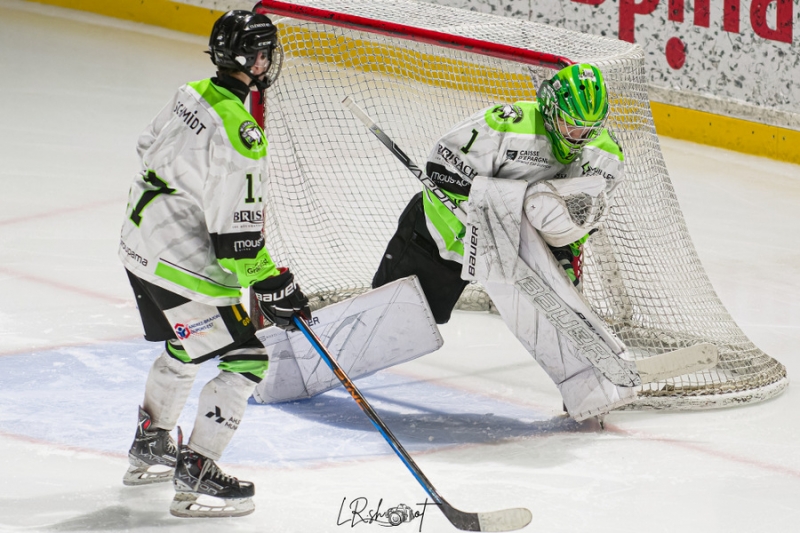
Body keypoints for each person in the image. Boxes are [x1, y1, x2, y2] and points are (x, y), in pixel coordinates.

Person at [118, 10, 310, 518]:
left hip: (138, 246)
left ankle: (151, 444)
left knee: (188, 343)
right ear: (256, 59)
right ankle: (198, 475)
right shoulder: (242, 133)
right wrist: (275, 285)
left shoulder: (191, 93)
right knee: (248, 359)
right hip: (181, 266)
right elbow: (237, 243)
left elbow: (147, 146)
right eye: (266, 52)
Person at [373, 63, 630, 421]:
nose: (578, 138)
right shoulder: (505, 124)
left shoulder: (606, 157)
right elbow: (439, 167)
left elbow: (583, 219)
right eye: (572, 125)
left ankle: (586, 392)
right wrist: (476, 206)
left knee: (557, 317)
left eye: (589, 129)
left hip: (525, 251)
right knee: (397, 324)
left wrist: (566, 256)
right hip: (445, 235)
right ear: (552, 109)